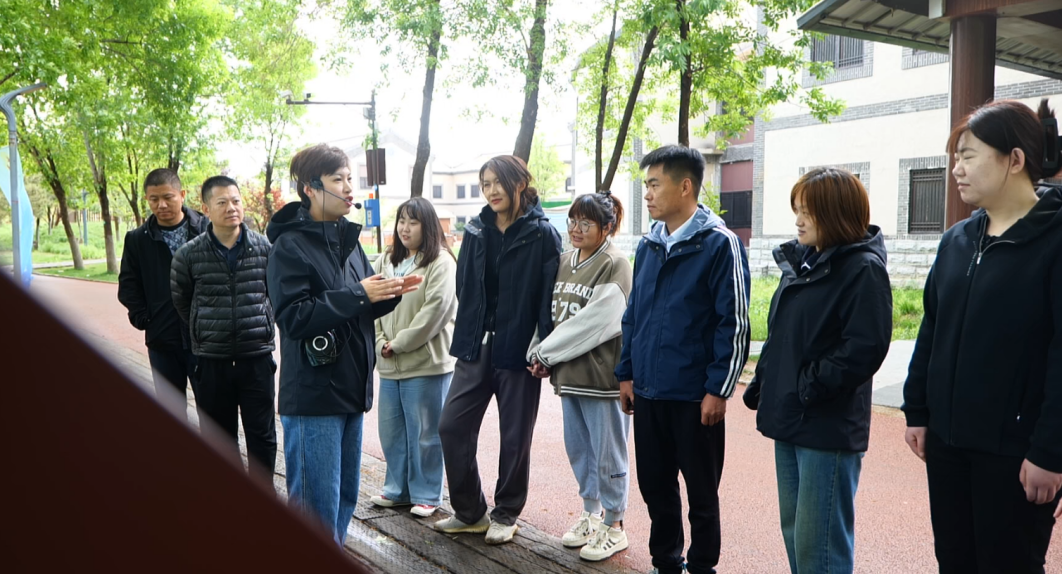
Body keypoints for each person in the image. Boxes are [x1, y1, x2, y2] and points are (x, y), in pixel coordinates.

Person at [902, 98, 1062, 574]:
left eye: (968, 156)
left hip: (1016, 452)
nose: (956, 169)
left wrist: (1050, 452)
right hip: (948, 445)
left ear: (1014, 160)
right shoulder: (957, 240)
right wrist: (917, 410)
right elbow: (931, 329)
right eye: (956, 157)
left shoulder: (1054, 241)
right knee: (954, 560)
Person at [266, 144, 422, 545]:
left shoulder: (348, 242)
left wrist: (388, 293)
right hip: (314, 397)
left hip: (352, 390)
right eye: (338, 179)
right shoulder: (289, 245)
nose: (350, 188)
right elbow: (294, 317)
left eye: (350, 178)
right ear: (310, 188)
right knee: (315, 510)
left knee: (342, 500)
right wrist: (359, 295)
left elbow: (358, 303)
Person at [742, 168, 892, 573]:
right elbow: (782, 334)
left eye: (807, 211)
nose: (798, 220)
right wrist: (766, 381)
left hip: (826, 424)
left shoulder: (862, 268)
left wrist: (807, 386)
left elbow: (865, 347)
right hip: (792, 417)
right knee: (797, 537)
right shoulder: (803, 262)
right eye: (797, 210)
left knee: (819, 547)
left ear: (835, 213)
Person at [615, 145, 750, 574]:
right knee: (655, 487)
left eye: (655, 184)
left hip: (694, 396)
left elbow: (734, 322)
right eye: (646, 185)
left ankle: (703, 565)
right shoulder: (649, 244)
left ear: (685, 186)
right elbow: (634, 314)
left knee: (702, 493)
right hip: (648, 391)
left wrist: (718, 389)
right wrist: (626, 373)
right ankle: (666, 562)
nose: (648, 194)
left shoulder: (720, 244)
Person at [434, 155, 562, 545]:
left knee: (514, 437)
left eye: (497, 182)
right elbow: (465, 286)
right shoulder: (475, 230)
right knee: (451, 426)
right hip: (475, 345)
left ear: (519, 183)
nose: (491, 191)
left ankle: (506, 513)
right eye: (485, 184)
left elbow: (548, 297)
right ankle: (470, 512)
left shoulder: (542, 234)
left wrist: (542, 349)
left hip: (518, 350)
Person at [526, 190, 633, 561]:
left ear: (607, 227)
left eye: (586, 223)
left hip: (602, 379)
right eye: (573, 221)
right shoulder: (564, 260)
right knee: (580, 451)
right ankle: (591, 514)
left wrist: (547, 352)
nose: (576, 228)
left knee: (608, 454)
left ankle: (615, 524)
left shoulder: (615, 263)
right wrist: (539, 352)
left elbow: (597, 321)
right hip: (569, 376)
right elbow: (550, 314)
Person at [170, 176, 278, 480]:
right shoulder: (189, 254)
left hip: (256, 357)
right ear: (206, 208)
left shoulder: (265, 248)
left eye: (236, 201)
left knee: (262, 435)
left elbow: (274, 293)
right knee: (218, 438)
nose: (232, 208)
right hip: (211, 361)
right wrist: (207, 331)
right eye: (222, 202)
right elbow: (182, 301)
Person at [369, 197, 457, 518]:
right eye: (401, 221)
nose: (405, 228)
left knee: (425, 433)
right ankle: (397, 489)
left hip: (426, 363)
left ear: (427, 226)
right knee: (392, 431)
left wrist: (400, 343)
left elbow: (436, 311)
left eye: (413, 222)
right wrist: (381, 342)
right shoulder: (385, 260)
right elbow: (371, 302)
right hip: (389, 362)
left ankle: (426, 494)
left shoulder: (441, 262)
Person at [118, 168, 209, 419]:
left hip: (207, 339)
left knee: (213, 413)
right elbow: (128, 284)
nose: (161, 205)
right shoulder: (137, 239)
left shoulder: (207, 229)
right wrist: (145, 318)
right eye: (154, 199)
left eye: (168, 197)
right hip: (162, 339)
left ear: (182, 194)